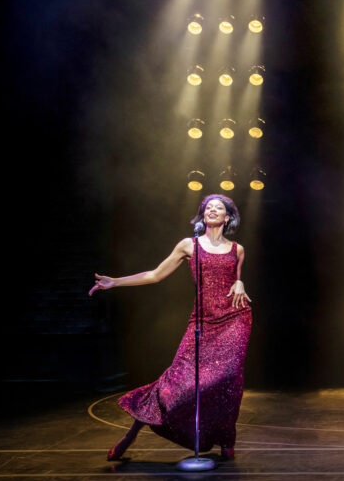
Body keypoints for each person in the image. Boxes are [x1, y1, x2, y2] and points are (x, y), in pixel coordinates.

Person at [89, 194, 252, 461]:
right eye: (208, 207)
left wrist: (241, 283)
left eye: (218, 208)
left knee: (228, 382)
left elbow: (235, 281)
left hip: (234, 321)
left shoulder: (238, 249)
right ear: (202, 215)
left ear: (227, 217)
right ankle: (130, 437)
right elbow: (155, 274)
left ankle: (226, 439)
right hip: (202, 322)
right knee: (174, 385)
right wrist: (115, 282)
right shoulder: (189, 245)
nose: (212, 210)